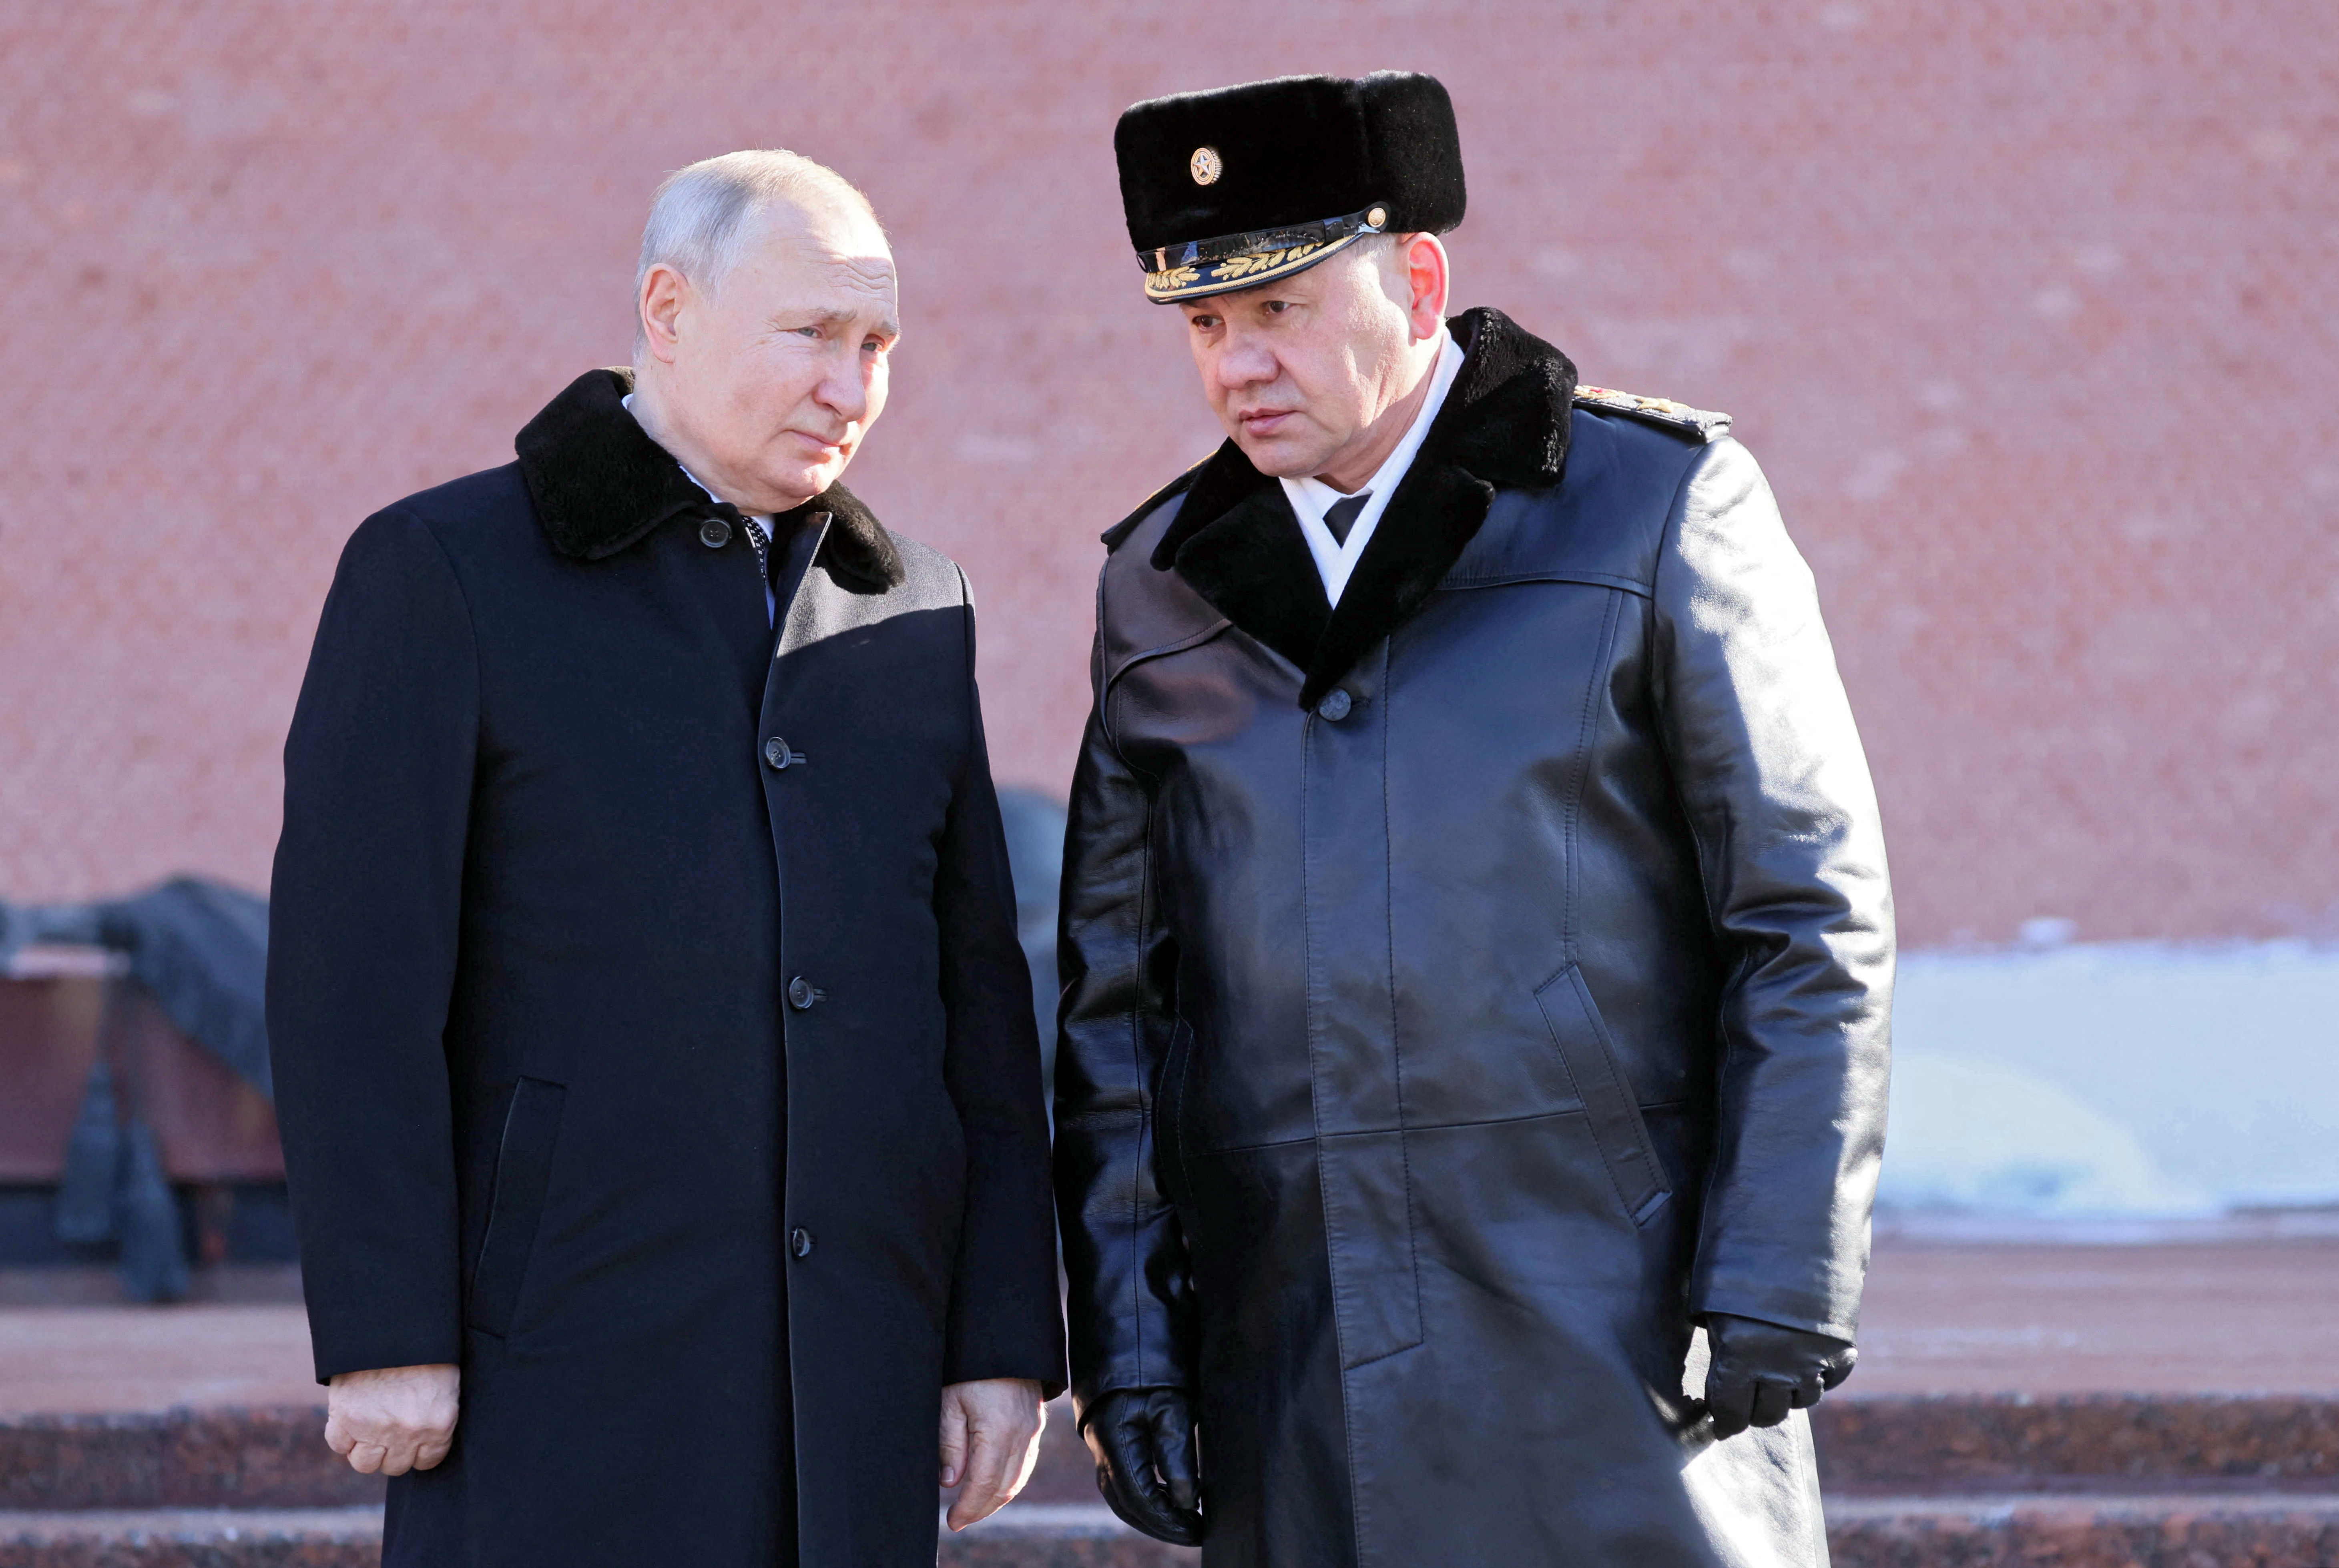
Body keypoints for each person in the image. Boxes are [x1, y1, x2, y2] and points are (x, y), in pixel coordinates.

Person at [1053, 73, 1893, 1566]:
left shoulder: (1651, 506)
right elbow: (1120, 1009)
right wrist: (1130, 1346)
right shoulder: (1160, 587)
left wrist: (1779, 1268)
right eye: (1205, 324)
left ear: (1420, 282)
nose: (1239, 365)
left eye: (1281, 309)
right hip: (1293, 1367)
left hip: (1617, 1338)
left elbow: (1802, 913)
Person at [267, 150, 1064, 1567]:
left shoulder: (913, 609)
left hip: (855, 1379)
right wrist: (385, 1328)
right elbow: (353, 978)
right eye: (811, 333)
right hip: (559, 1366)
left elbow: (975, 1007)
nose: (851, 386)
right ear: (668, 311)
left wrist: (999, 1337)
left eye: (877, 345)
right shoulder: (445, 570)